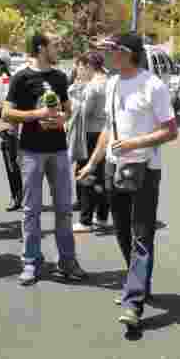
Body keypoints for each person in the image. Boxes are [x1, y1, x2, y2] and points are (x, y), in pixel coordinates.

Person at [84, 33, 177, 331]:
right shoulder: (112, 83)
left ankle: (134, 302)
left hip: (145, 170)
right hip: (115, 167)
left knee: (141, 235)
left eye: (116, 51)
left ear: (131, 54)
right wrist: (91, 164)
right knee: (122, 232)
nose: (111, 56)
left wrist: (135, 143)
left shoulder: (153, 86)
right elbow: (108, 131)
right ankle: (137, 283)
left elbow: (171, 131)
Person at [2, 32, 87, 286]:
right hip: (31, 152)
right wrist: (36, 114)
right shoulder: (21, 77)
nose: (58, 48)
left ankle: (67, 261)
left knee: (63, 209)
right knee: (31, 211)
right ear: (41, 48)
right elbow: (6, 112)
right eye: (54, 45)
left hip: (58, 150)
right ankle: (31, 261)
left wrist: (62, 118)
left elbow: (68, 109)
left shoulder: (59, 77)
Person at [69, 51, 111, 234]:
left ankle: (85, 220)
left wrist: (74, 96)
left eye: (79, 67)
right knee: (101, 177)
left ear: (88, 66)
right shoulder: (110, 80)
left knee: (86, 175)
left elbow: (84, 113)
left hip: (92, 133)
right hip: (106, 132)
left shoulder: (94, 85)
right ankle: (101, 217)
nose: (78, 71)